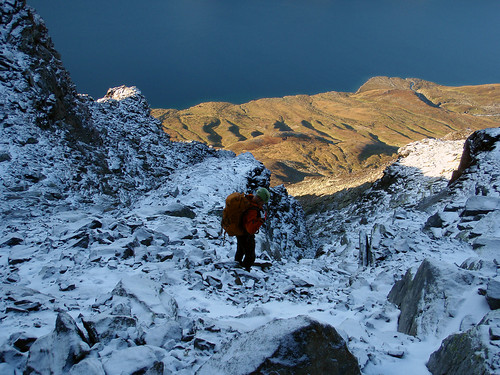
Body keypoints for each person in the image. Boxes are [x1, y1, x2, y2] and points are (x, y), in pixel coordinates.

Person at [235, 187, 270, 271]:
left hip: (239, 230)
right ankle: (246, 270)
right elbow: (251, 230)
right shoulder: (253, 210)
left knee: (240, 249)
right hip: (245, 234)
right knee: (250, 254)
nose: (263, 204)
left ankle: (237, 264)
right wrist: (261, 220)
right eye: (263, 202)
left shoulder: (247, 199)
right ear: (260, 200)